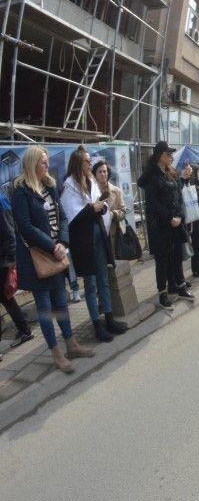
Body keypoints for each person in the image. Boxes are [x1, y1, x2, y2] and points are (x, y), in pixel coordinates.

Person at [11, 146, 95, 373]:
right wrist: (52, 246)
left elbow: (63, 217)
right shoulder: (20, 190)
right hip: (39, 259)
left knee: (61, 303)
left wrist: (64, 243)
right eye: (43, 163)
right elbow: (25, 226)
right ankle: (56, 353)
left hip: (57, 254)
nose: (47, 166)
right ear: (32, 164)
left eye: (47, 162)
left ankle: (71, 344)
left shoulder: (50, 185)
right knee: (46, 308)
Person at [60, 147, 123, 342]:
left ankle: (110, 319)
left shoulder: (91, 181)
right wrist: (93, 208)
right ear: (79, 163)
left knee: (103, 278)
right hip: (84, 241)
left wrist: (100, 207)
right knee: (91, 282)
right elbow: (72, 215)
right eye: (87, 161)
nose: (90, 164)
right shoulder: (69, 185)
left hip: (98, 235)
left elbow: (99, 204)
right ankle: (97, 325)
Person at [137, 141, 193, 310]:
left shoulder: (171, 172)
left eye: (171, 154)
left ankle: (180, 286)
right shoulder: (152, 176)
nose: (171, 157)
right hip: (161, 225)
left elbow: (176, 195)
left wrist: (179, 216)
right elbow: (153, 203)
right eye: (168, 154)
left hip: (175, 222)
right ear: (160, 155)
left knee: (176, 256)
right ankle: (162, 294)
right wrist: (170, 218)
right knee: (162, 260)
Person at [0, 189, 34, 347]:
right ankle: (25, 329)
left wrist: (10, 261)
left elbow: (9, 232)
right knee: (6, 298)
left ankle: (25, 329)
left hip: (3, 260)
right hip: (4, 259)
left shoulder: (1, 200)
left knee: (6, 297)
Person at [180, 164, 199, 278]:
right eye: (198, 172)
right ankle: (196, 269)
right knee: (196, 244)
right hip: (193, 219)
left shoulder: (197, 184)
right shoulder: (190, 185)